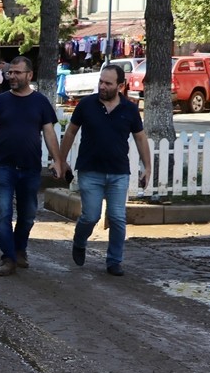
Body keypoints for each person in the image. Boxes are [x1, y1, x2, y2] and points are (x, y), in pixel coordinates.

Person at [0, 56, 66, 277]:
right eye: (10, 72)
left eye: (17, 73)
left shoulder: (40, 102)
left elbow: (49, 133)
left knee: (28, 214)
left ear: (29, 75)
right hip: (2, 167)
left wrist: (58, 160)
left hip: (30, 168)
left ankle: (20, 250)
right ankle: (8, 258)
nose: (11, 76)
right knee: (2, 213)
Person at [58, 63, 152, 277]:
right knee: (90, 216)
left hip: (119, 172)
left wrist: (147, 167)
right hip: (90, 170)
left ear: (120, 86)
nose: (102, 86)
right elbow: (71, 133)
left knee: (117, 217)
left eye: (108, 83)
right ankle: (79, 241)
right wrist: (61, 161)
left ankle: (114, 261)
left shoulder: (129, 109)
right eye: (100, 81)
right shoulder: (86, 105)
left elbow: (140, 137)